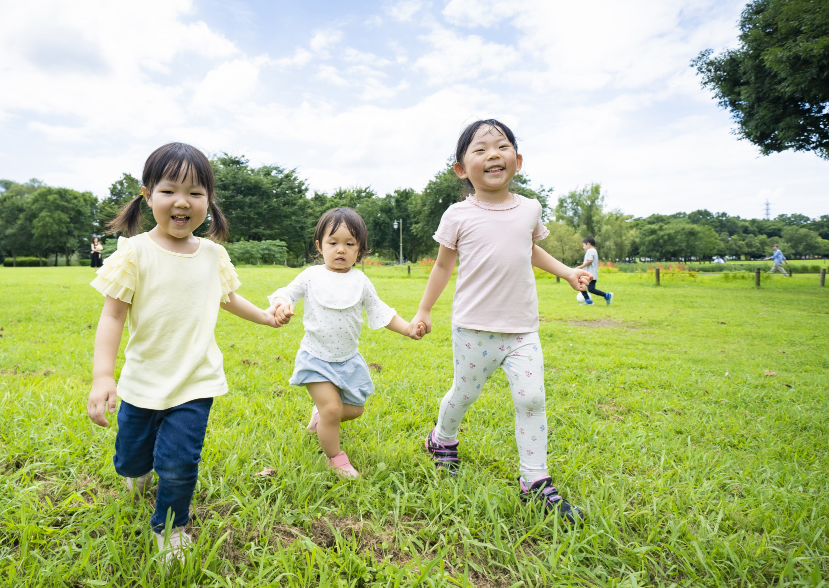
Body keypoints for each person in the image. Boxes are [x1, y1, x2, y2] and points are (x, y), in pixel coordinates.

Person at [86, 142, 287, 566]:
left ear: (208, 201)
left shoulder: (212, 254)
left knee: (178, 463)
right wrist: (104, 375)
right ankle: (137, 473)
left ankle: (172, 526)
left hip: (196, 380)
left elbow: (229, 298)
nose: (183, 201)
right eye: (169, 191)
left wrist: (267, 317)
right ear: (147, 195)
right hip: (142, 379)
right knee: (131, 458)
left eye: (196, 192)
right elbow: (113, 316)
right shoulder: (134, 251)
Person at [411, 119, 591, 524]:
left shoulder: (530, 208)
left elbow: (529, 250)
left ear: (518, 160)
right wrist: (424, 310)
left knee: (531, 400)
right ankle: (442, 439)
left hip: (523, 329)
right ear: (461, 169)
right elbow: (442, 267)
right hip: (474, 328)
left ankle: (535, 481)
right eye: (480, 149)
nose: (493, 154)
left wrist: (565, 272)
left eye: (502, 146)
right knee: (464, 393)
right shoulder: (458, 215)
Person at [269, 208, 424, 478]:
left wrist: (408, 328)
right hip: (315, 358)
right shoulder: (311, 275)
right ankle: (335, 458)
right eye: (333, 243)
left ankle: (320, 418)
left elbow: (382, 312)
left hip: (348, 360)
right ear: (319, 246)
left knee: (355, 410)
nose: (341, 250)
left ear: (359, 250)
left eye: (349, 244)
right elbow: (286, 293)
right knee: (332, 408)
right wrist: (282, 305)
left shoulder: (361, 281)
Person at [578, 237, 612, 306]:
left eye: (583, 245)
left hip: (589, 274)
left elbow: (590, 261)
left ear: (588, 244)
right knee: (589, 288)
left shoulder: (590, 251)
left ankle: (589, 300)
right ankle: (605, 296)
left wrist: (580, 267)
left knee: (581, 285)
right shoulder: (594, 250)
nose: (583, 247)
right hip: (592, 274)